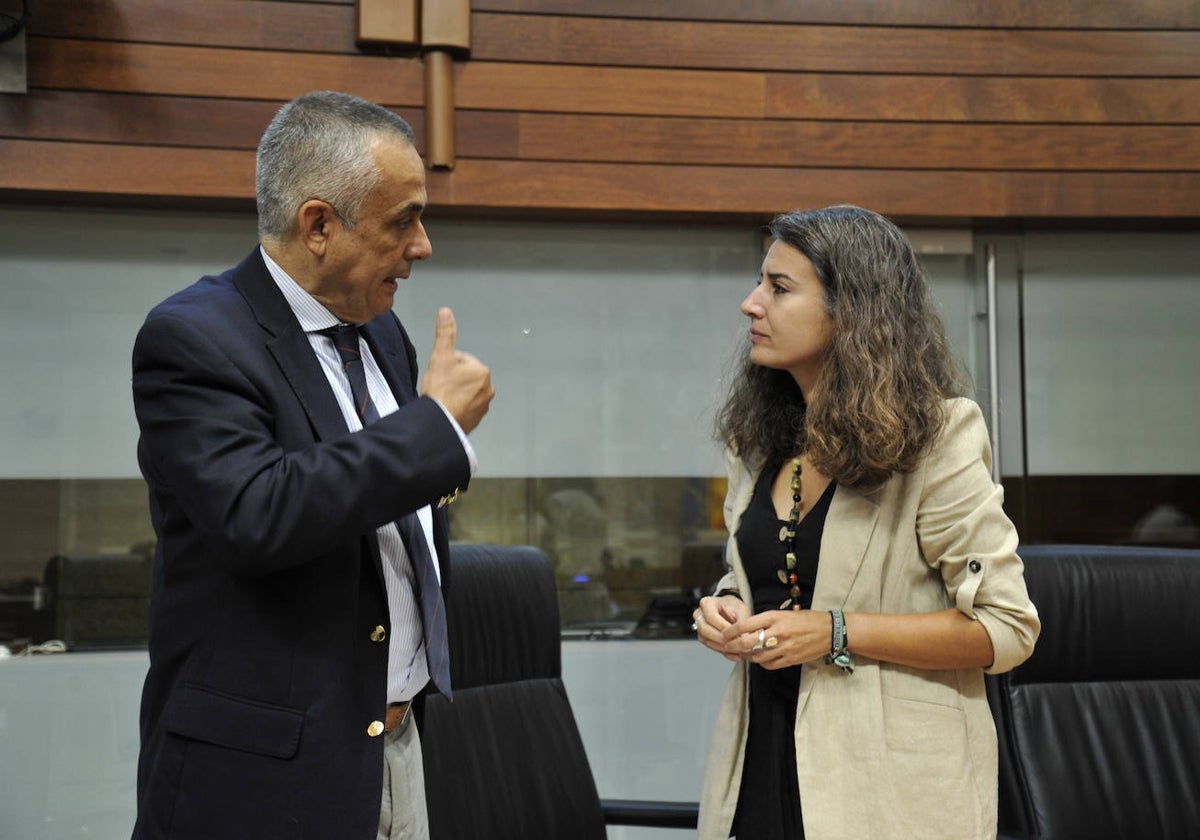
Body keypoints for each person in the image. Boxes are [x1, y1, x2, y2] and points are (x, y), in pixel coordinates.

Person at [130, 90, 494, 840]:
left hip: (394, 745)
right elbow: (256, 515)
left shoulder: (381, 332)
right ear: (319, 224)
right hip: (262, 777)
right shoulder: (193, 338)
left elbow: (377, 515)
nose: (423, 245)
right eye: (404, 221)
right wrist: (434, 432)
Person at [692, 205, 1040, 840]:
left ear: (849, 310)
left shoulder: (938, 436)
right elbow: (767, 578)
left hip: (889, 790)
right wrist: (724, 606)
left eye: (779, 287)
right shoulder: (758, 441)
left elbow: (1006, 628)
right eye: (759, 282)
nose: (750, 304)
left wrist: (836, 632)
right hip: (759, 765)